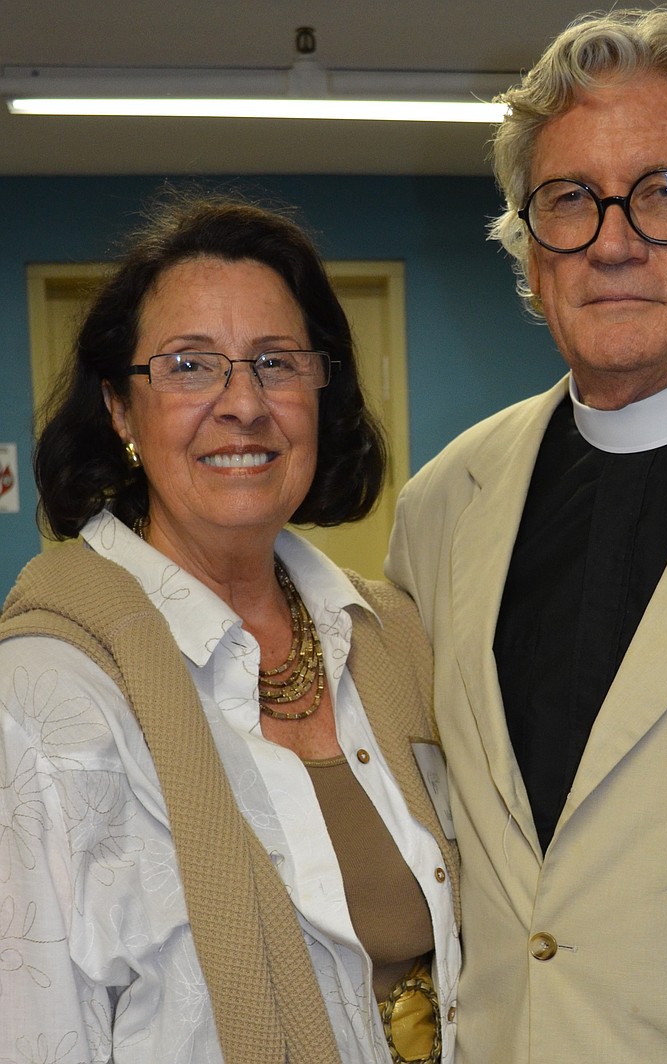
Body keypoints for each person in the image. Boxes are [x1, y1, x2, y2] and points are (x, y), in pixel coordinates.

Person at [386, 7, 667, 1063]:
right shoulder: (443, 504)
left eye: (665, 191)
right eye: (569, 199)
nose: (612, 240)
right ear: (530, 247)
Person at [0, 194, 459, 1064]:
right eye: (189, 365)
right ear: (120, 409)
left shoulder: (392, 638)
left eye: (276, 362)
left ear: (320, 390)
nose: (243, 403)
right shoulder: (42, 701)